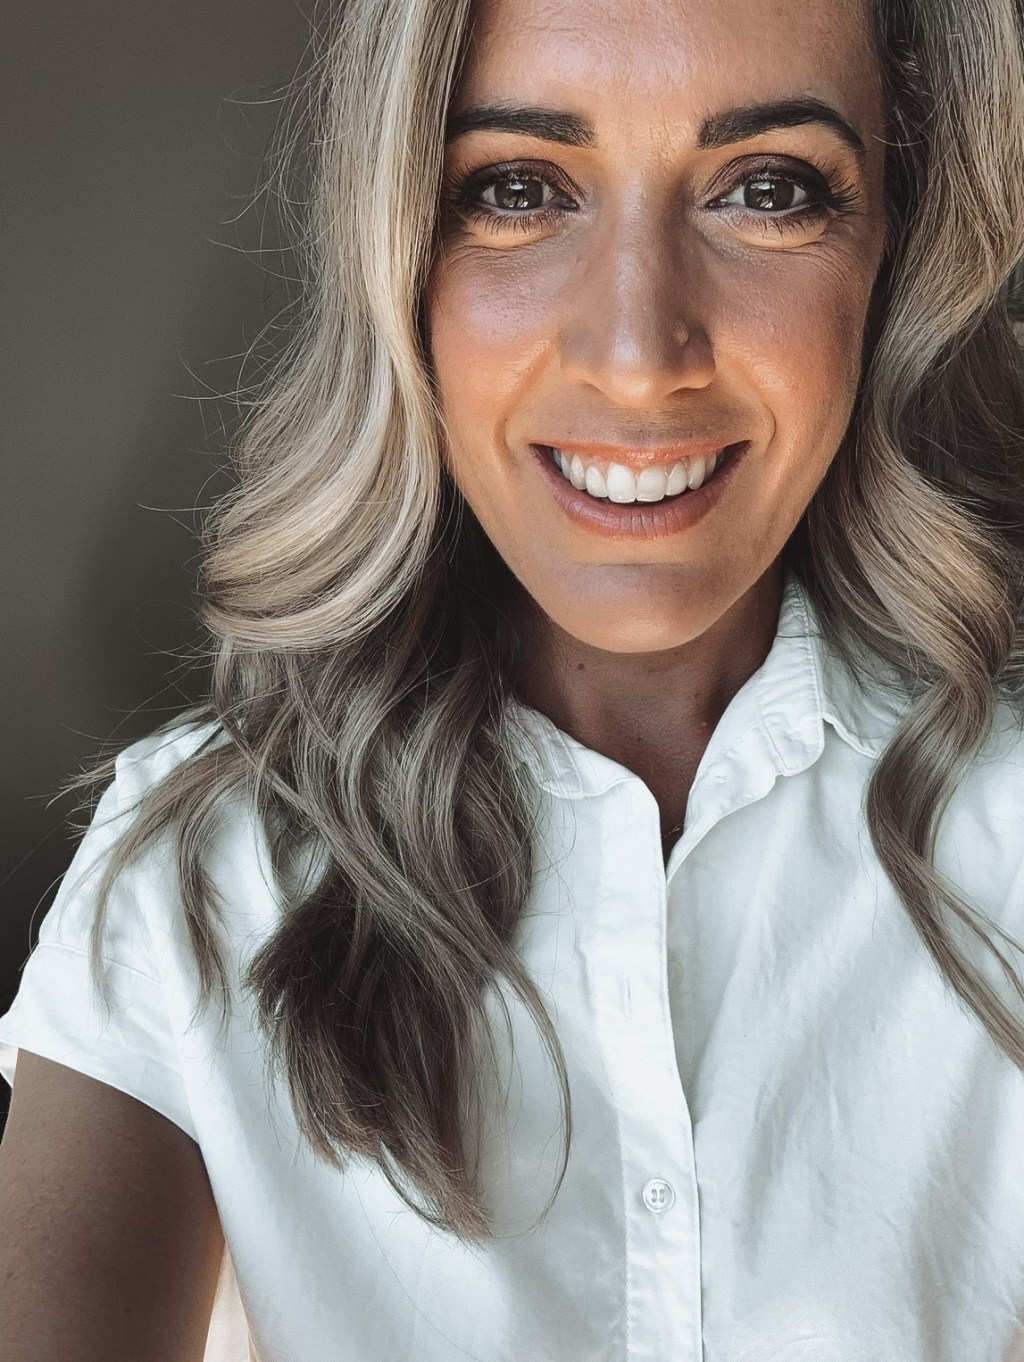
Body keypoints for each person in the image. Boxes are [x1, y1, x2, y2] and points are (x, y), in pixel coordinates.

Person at [2, 0, 1024, 1357]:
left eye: (769, 189)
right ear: (401, 258)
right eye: (518, 190)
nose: (638, 358)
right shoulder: (193, 880)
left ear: (896, 242)